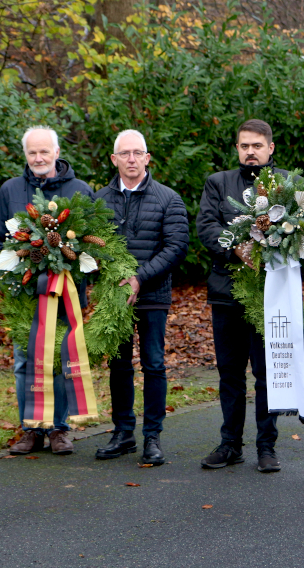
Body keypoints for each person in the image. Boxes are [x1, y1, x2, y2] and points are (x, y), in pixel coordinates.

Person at [0, 126, 93, 455]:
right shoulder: (10, 190)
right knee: (24, 363)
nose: (38, 158)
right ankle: (31, 429)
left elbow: (91, 245)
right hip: (24, 296)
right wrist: (10, 277)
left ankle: (59, 430)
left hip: (63, 296)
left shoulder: (80, 190)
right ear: (25, 155)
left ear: (58, 152)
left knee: (59, 362)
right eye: (32, 152)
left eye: (44, 151)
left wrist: (79, 281)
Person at [196, 119, 288, 473]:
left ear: (270, 148)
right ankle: (230, 443)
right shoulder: (218, 183)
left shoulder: (287, 185)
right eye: (244, 146)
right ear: (237, 149)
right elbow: (206, 227)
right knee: (230, 373)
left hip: (271, 294)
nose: (250, 152)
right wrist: (235, 248)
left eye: (257, 146)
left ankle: (267, 446)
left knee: (266, 374)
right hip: (226, 292)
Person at [94, 129, 189, 466]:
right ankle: (123, 433)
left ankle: (152, 436)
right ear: (114, 159)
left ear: (148, 158)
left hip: (153, 296)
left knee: (153, 364)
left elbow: (176, 247)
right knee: (118, 365)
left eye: (138, 153)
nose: (131, 159)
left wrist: (139, 278)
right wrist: (115, 280)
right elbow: (92, 247)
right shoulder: (99, 200)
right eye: (125, 153)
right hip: (115, 298)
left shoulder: (168, 199)